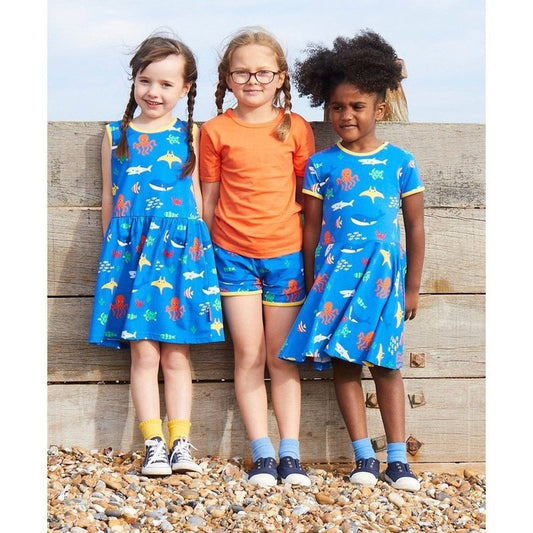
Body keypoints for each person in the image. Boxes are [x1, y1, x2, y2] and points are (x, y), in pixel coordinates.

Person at [279, 30, 425, 492]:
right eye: (337, 107)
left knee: (386, 366)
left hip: (383, 282)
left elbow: (415, 228)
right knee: (343, 365)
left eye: (357, 106)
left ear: (379, 109)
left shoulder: (400, 162)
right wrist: (310, 282)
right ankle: (364, 457)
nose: (346, 115)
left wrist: (412, 287)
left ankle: (397, 460)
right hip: (334, 281)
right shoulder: (320, 165)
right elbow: (310, 229)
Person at [88, 34, 225, 476]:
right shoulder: (115, 135)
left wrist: (201, 257)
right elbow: (110, 199)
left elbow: (201, 200)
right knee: (143, 355)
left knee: (177, 355)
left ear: (185, 88)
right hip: (130, 258)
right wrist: (112, 257)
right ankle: (153, 444)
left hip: (181, 256)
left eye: (166, 84)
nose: (154, 92)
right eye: (145, 80)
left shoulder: (194, 134)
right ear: (133, 81)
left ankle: (181, 442)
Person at [199, 27, 316, 487]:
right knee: (248, 353)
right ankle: (262, 453)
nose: (253, 80)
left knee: (281, 357)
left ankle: (291, 453)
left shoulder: (296, 128)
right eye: (242, 72)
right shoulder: (214, 131)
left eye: (263, 72)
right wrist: (203, 254)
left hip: (285, 256)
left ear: (280, 77)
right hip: (232, 256)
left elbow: (308, 199)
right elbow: (209, 199)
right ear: (227, 78)